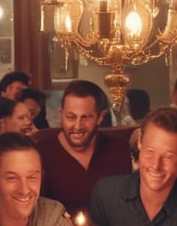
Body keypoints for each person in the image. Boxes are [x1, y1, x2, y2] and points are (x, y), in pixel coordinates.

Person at [37, 79, 132, 215]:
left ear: (100, 117)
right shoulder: (41, 153)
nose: (77, 126)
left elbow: (125, 210)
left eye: (86, 117)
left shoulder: (119, 151)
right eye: (71, 117)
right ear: (61, 115)